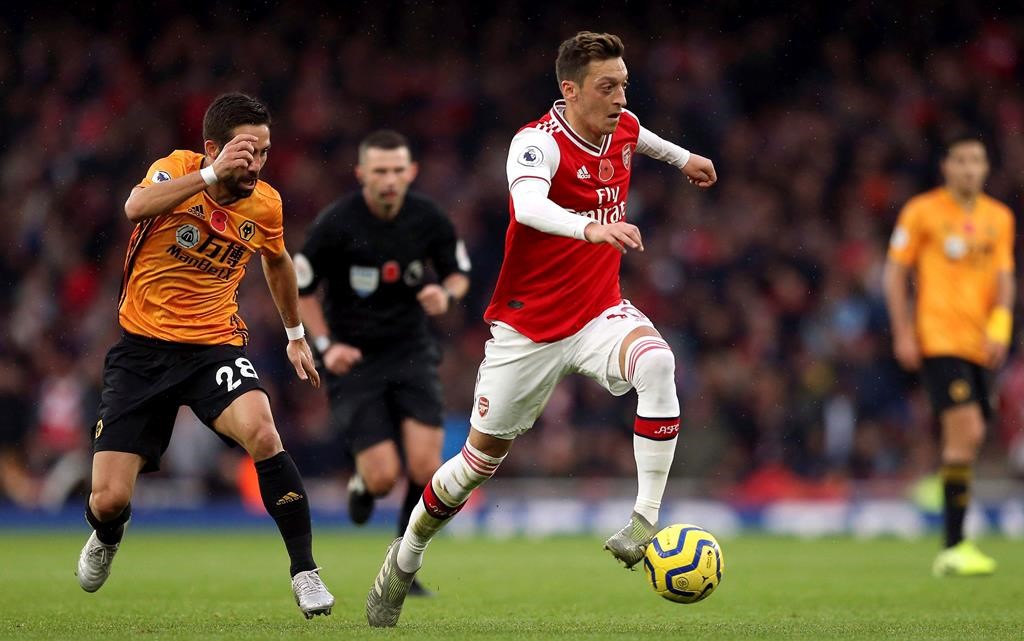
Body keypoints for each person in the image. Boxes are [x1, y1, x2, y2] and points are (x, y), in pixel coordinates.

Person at [366, 31, 717, 627]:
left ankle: (644, 520)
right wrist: (591, 228)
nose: (620, 97)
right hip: (528, 330)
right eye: (606, 87)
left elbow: (641, 137)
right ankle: (405, 557)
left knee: (658, 362)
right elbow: (527, 207)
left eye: (624, 84)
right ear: (570, 90)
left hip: (598, 312)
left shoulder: (622, 125)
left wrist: (684, 159)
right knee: (474, 465)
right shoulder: (536, 143)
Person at [75, 93, 335, 617]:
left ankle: (305, 572)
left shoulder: (266, 204)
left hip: (214, 347)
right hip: (142, 351)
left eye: (264, 152)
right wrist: (212, 175)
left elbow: (277, 260)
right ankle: (107, 534)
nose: (256, 164)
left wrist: (295, 334)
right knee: (109, 499)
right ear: (213, 148)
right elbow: (134, 208)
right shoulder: (176, 170)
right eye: (246, 151)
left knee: (263, 432)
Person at [295, 129, 470, 596]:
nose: (389, 180)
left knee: (427, 468)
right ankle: (363, 483)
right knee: (383, 477)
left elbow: (458, 272)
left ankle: (402, 565)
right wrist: (326, 344)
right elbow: (301, 287)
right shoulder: (337, 223)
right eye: (380, 171)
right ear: (362, 174)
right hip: (355, 359)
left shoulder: (427, 218)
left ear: (411, 172)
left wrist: (445, 294)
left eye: (397, 170)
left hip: (412, 351)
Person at [883, 135, 1015, 577]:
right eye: (960, 160)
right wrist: (903, 331)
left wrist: (1001, 324)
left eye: (977, 160)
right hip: (939, 339)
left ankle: (946, 512)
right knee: (968, 429)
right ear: (945, 166)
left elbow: (1005, 276)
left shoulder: (1000, 217)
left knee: (971, 437)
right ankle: (954, 546)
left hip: (981, 344)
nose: (969, 168)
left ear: (986, 166)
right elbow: (895, 272)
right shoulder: (922, 212)